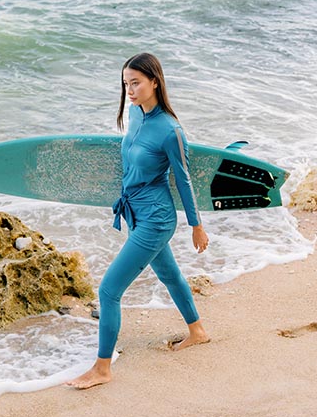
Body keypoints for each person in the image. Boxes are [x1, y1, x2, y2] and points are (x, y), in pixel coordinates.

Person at [66, 53, 211, 390]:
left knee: (109, 290)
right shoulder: (134, 114)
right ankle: (198, 331)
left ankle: (102, 369)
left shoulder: (171, 130)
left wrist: (196, 225)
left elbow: (184, 179)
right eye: (125, 83)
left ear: (155, 82)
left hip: (157, 219)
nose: (129, 90)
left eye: (136, 83)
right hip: (135, 212)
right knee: (170, 275)